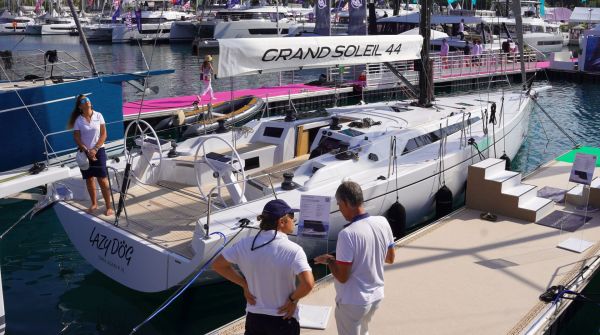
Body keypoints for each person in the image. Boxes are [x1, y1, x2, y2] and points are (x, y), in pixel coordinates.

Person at [212, 199, 315, 335]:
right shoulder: (294, 250)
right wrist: (292, 300)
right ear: (282, 222)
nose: (294, 220)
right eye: (291, 217)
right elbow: (308, 284)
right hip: (283, 319)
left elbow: (218, 265)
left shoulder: (244, 244)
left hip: (254, 319)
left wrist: (244, 284)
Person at [314, 181, 395, 335]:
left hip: (353, 302)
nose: (339, 209)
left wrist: (330, 260)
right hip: (376, 297)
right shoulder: (383, 222)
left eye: (339, 204)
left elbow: (343, 277)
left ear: (345, 203)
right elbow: (390, 258)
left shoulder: (347, 234)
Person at [68, 95, 114, 216]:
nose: (87, 101)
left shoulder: (99, 116)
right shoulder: (78, 120)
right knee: (89, 179)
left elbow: (104, 134)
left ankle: (109, 206)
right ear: (80, 106)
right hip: (85, 152)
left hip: (99, 150)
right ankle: (94, 204)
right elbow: (76, 137)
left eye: (88, 99)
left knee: (103, 179)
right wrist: (86, 149)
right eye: (84, 100)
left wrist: (95, 148)